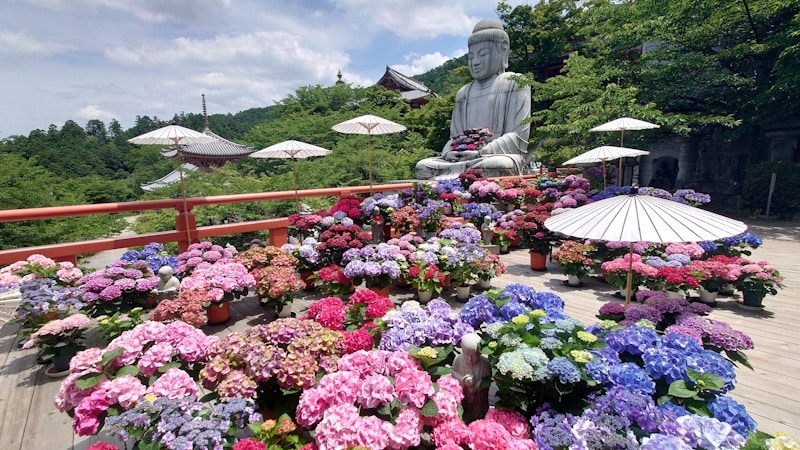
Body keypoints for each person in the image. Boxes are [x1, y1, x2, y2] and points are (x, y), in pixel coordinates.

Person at [415, 19, 531, 179]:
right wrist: (449, 152)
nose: (475, 62)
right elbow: (454, 138)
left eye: (483, 54)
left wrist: (481, 152)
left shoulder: (515, 82)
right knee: (423, 166)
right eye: (471, 56)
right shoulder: (463, 93)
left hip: (493, 156)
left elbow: (518, 137)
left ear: (503, 50)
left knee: (499, 165)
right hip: (462, 158)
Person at [451, 332, 491, 422]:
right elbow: (453, 373)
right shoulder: (458, 360)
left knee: (479, 415)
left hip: (479, 399)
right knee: (463, 414)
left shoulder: (485, 363)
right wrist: (463, 380)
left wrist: (476, 386)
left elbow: (488, 379)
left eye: (474, 355)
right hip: (464, 396)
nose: (470, 359)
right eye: (467, 355)